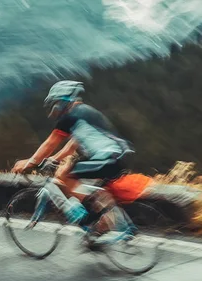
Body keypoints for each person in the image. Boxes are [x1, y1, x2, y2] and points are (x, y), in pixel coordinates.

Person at [12, 80, 135, 235]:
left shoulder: (69, 117)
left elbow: (50, 143)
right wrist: (54, 159)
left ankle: (90, 218)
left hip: (108, 158)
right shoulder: (84, 112)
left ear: (62, 102)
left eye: (54, 104)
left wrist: (29, 163)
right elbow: (72, 145)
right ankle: (114, 229)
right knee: (96, 189)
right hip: (120, 155)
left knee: (66, 175)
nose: (53, 110)